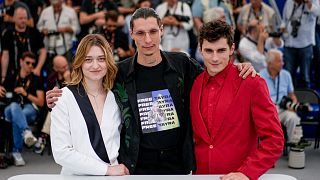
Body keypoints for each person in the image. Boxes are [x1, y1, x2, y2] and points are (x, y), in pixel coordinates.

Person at [47, 8, 256, 175]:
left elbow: (213, 76)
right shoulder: (119, 72)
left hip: (177, 163)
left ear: (162, 30)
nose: (148, 40)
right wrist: (63, 95)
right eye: (140, 33)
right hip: (136, 164)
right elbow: (91, 82)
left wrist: (238, 67)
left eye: (153, 32)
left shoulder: (181, 63)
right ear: (131, 35)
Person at [190, 20, 284, 179]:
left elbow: (274, 140)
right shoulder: (195, 84)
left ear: (232, 48)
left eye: (221, 50)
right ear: (200, 50)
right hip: (201, 175)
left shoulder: (252, 83)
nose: (214, 58)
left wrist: (247, 172)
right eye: (208, 51)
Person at [50, 34, 129, 175]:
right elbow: (61, 152)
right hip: (76, 176)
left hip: (113, 176)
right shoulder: (63, 98)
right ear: (79, 62)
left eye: (101, 59)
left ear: (108, 62)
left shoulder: (116, 97)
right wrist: (106, 170)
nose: (95, 66)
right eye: (88, 60)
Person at [3, 51, 45, 166]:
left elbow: (41, 102)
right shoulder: (11, 77)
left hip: (30, 108)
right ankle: (26, 133)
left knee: (19, 114)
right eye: (28, 63)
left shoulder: (37, 79)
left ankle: (17, 151)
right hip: (10, 110)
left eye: (33, 64)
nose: (31, 66)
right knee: (13, 106)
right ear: (21, 62)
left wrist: (25, 93)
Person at [260, 49, 308, 145]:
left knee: (293, 118)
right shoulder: (260, 76)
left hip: (283, 108)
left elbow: (291, 95)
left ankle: (294, 145)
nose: (282, 63)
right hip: (267, 110)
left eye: (282, 60)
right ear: (270, 64)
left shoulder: (286, 75)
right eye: (279, 61)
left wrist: (294, 104)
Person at [34, 55, 71, 154]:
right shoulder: (51, 78)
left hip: (72, 106)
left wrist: (68, 80)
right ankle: (45, 137)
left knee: (55, 109)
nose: (66, 68)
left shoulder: (73, 75)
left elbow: (76, 93)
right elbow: (49, 96)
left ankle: (43, 136)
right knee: (55, 108)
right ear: (56, 68)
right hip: (57, 107)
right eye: (63, 67)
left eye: (66, 65)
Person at [281, 0, 320, 88]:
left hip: (305, 44)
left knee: (305, 76)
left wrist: (309, 4)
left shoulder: (312, 1)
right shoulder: (289, 2)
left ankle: (306, 100)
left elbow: (317, 13)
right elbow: (284, 20)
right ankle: (290, 98)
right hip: (289, 44)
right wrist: (283, 28)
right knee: (288, 74)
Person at [1, 7, 46, 80]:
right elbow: (5, 56)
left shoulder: (34, 32)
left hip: (32, 73)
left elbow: (43, 51)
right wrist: (3, 76)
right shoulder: (7, 34)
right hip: (13, 73)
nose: (23, 20)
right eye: (20, 18)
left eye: (25, 18)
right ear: (14, 18)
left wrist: (38, 68)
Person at [37, 0, 80, 65]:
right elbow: (38, 26)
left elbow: (77, 29)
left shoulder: (70, 11)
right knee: (51, 72)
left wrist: (67, 29)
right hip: (50, 47)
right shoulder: (45, 12)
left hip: (67, 48)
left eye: (58, 6)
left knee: (67, 69)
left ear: (61, 2)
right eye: (54, 7)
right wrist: (43, 30)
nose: (56, 8)